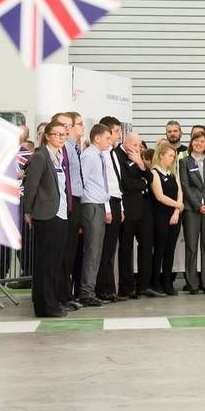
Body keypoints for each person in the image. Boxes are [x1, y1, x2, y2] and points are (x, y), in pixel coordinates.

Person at [21, 120, 71, 317]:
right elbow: (31, 186)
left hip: (60, 212)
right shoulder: (41, 156)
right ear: (47, 136)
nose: (61, 138)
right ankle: (46, 306)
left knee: (55, 261)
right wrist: (28, 211)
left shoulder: (58, 156)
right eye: (57, 134)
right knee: (46, 262)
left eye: (63, 135)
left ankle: (49, 303)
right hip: (46, 214)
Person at [116, 132, 158, 299]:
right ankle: (126, 287)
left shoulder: (138, 157)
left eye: (139, 146)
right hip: (128, 208)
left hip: (143, 209)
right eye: (134, 145)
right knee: (126, 248)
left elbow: (150, 177)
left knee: (147, 245)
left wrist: (141, 164)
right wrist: (143, 183)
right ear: (126, 142)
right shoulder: (118, 156)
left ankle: (144, 285)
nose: (137, 149)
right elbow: (125, 183)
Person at [49, 112, 84, 311]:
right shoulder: (65, 149)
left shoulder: (74, 148)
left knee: (70, 251)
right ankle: (62, 294)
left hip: (75, 200)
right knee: (65, 252)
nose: (71, 129)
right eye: (74, 124)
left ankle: (66, 293)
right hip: (68, 202)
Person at [78, 124, 114, 307]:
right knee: (92, 251)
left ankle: (89, 289)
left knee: (96, 251)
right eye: (107, 138)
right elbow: (81, 179)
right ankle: (86, 291)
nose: (110, 141)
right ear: (97, 138)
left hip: (98, 204)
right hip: (91, 205)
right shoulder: (90, 156)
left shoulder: (98, 156)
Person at [180, 130, 205, 294]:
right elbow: (185, 186)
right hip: (192, 209)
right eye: (196, 141)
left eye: (202, 141)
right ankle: (192, 284)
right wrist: (197, 205)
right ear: (191, 143)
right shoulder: (184, 162)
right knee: (191, 247)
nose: (199, 144)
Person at [96, 116, 125, 301]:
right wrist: (107, 208)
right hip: (105, 202)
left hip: (116, 202)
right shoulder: (101, 154)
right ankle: (102, 288)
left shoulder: (113, 153)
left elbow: (116, 183)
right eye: (116, 131)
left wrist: (120, 207)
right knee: (104, 249)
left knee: (111, 249)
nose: (119, 135)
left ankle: (109, 287)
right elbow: (102, 184)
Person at [150, 141, 185, 295]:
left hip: (174, 216)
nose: (173, 159)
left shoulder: (173, 173)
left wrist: (177, 210)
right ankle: (155, 282)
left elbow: (180, 191)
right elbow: (160, 196)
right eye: (170, 156)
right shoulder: (154, 173)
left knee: (170, 250)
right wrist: (178, 204)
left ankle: (167, 282)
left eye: (174, 156)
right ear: (161, 155)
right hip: (160, 215)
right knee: (160, 249)